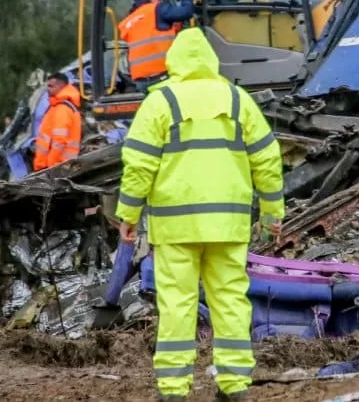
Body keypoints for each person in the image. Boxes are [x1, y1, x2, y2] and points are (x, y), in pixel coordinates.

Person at [115, 26, 284, 401]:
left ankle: (173, 392)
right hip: (228, 224)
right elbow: (268, 159)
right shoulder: (238, 100)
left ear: (173, 61)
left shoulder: (160, 102)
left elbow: (138, 165)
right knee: (230, 302)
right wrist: (272, 212)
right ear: (211, 59)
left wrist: (128, 214)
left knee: (177, 304)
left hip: (176, 227)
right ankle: (234, 387)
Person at [117, 0, 195, 91]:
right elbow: (186, 12)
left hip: (140, 81)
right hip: (162, 76)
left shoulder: (129, 21)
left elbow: (155, 33)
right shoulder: (156, 8)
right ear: (155, 0)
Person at [33, 72, 83, 171]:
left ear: (61, 86)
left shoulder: (62, 109)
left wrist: (52, 165)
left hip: (58, 166)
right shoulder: (58, 106)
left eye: (51, 86)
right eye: (48, 86)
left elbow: (59, 140)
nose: (48, 89)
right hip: (56, 165)